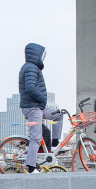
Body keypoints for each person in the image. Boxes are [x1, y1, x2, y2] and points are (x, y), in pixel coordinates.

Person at [18, 42, 63, 173]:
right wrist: (43, 98)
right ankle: (31, 167)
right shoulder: (31, 68)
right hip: (33, 107)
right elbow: (30, 87)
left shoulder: (32, 67)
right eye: (42, 55)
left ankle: (54, 144)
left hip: (38, 106)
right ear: (36, 55)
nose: (43, 58)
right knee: (36, 138)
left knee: (59, 114)